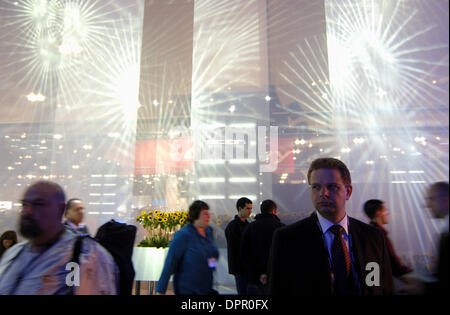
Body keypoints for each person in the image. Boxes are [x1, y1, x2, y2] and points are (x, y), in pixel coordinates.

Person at [268, 157, 393, 295]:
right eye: (316, 187)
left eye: (332, 186)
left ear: (348, 191)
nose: (323, 193)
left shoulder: (372, 238)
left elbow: (378, 286)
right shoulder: (288, 239)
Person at [0, 181, 118, 294]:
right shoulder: (13, 253)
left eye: (39, 204)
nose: (28, 211)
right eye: (25, 205)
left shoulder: (87, 255)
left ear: (60, 210)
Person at [156, 200, 219, 295]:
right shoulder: (183, 235)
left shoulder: (209, 232)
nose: (208, 216)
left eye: (208, 213)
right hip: (187, 288)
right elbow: (171, 262)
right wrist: (161, 290)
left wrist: (210, 268)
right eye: (205, 214)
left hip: (206, 287)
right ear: (196, 216)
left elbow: (212, 254)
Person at [241, 199, 284, 295]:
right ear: (274, 211)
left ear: (261, 210)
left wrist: (258, 274)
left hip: (254, 280)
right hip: (276, 281)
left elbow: (244, 253)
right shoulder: (281, 228)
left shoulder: (250, 228)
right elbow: (284, 256)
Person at [363, 199, 413, 280]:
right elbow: (393, 263)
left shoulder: (367, 233)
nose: (388, 213)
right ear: (378, 213)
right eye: (385, 210)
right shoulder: (379, 235)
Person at [225, 197, 252, 295]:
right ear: (240, 209)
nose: (250, 211)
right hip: (240, 267)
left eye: (250, 208)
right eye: (247, 208)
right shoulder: (233, 226)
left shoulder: (248, 225)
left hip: (247, 267)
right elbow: (235, 247)